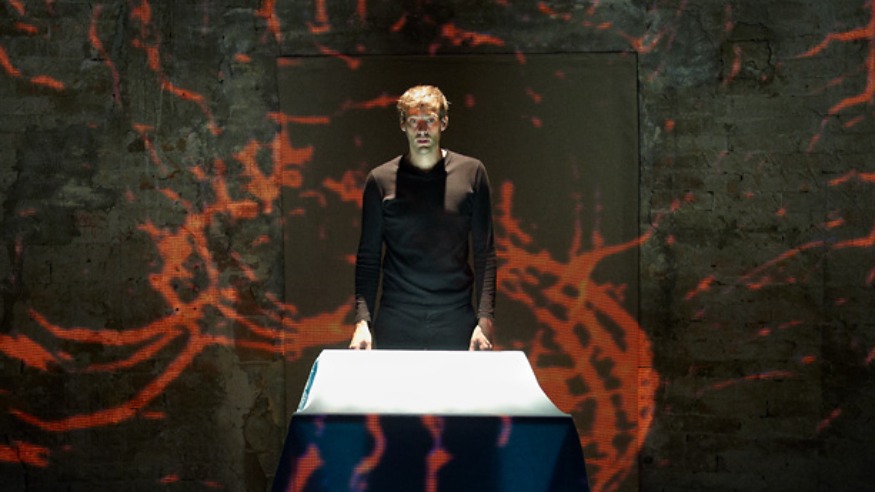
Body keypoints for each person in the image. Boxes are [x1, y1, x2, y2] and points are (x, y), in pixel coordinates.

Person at [349, 85, 496, 351]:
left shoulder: (472, 173)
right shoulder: (380, 180)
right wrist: (362, 322)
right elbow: (369, 256)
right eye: (414, 121)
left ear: (443, 123)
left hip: (455, 318)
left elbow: (484, 253)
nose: (422, 129)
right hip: (397, 318)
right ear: (403, 125)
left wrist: (484, 321)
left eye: (429, 120)